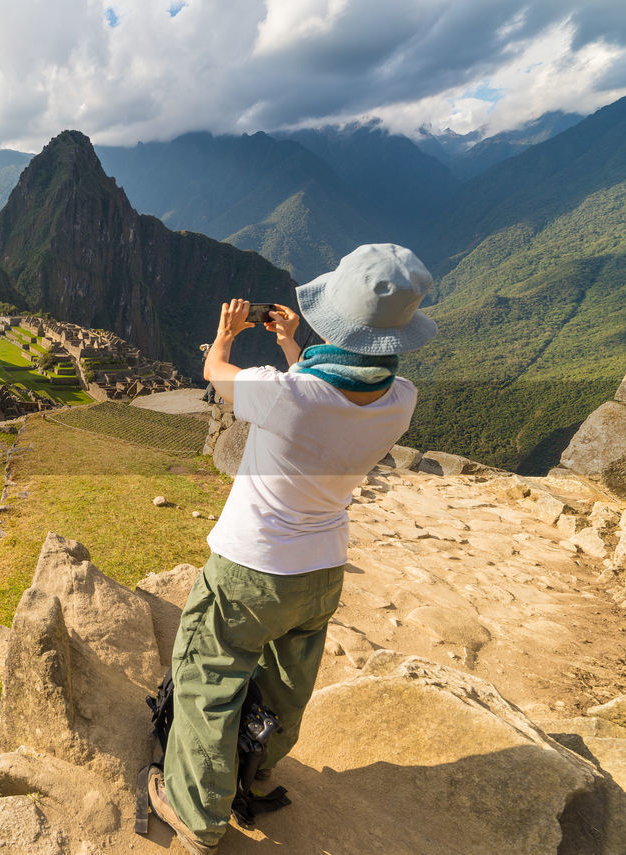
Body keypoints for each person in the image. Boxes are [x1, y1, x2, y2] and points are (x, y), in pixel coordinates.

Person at [148, 243, 439, 854]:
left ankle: (195, 813)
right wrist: (290, 344)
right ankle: (258, 769)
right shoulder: (400, 398)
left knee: (208, 676)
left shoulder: (284, 395)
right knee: (284, 685)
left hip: (252, 568)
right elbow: (332, 387)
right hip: (323, 569)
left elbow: (216, 376)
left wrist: (224, 335)